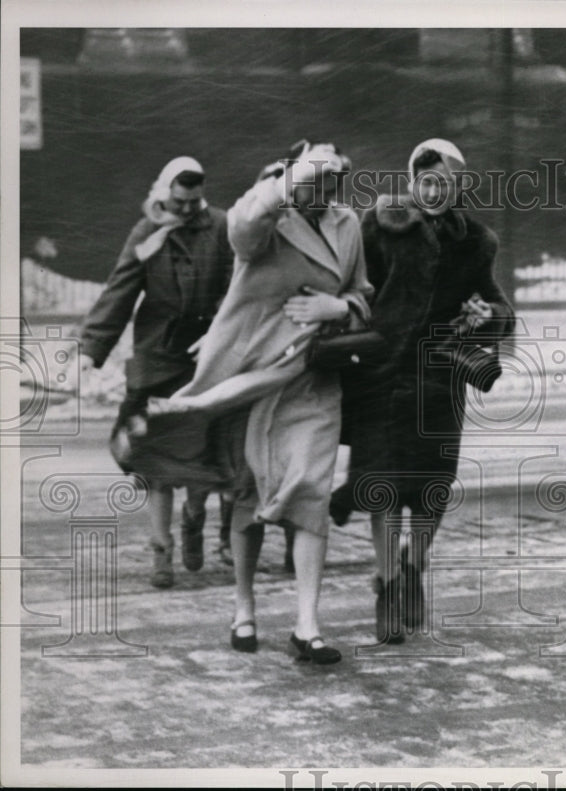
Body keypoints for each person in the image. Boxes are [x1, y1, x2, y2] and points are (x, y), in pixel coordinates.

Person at [152, 141, 372, 664]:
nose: (327, 191)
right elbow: (242, 230)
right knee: (248, 498)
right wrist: (289, 180)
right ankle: (244, 607)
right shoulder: (268, 213)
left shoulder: (348, 224)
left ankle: (307, 626)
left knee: (311, 496)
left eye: (335, 179)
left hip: (313, 377)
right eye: (317, 180)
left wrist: (339, 305)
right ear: (297, 178)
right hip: (252, 376)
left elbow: (364, 294)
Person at [329, 138, 515, 644]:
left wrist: (486, 316)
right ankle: (388, 588)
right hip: (384, 375)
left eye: (444, 182)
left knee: (431, 490)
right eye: (425, 180)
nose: (433, 190)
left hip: (439, 381)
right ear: (412, 180)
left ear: (457, 187)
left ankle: (415, 565)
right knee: (383, 487)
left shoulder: (475, 242)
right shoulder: (380, 226)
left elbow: (500, 307)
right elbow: (354, 286)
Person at [79, 156, 234, 589]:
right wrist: (91, 350)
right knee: (156, 462)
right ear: (164, 192)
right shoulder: (147, 232)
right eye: (179, 201)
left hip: (206, 357)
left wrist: (220, 329)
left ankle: (196, 516)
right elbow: (121, 290)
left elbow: (234, 287)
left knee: (202, 457)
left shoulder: (221, 227)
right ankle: (160, 551)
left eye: (194, 202)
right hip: (159, 356)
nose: (187, 210)